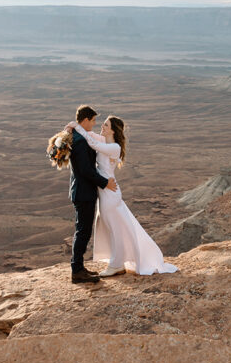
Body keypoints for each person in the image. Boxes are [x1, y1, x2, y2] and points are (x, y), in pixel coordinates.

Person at [70, 115, 177, 277]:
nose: (102, 127)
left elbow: (92, 142)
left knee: (115, 229)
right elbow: (90, 136)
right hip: (105, 192)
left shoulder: (114, 147)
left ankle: (116, 265)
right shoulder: (105, 140)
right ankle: (117, 263)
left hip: (110, 194)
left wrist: (76, 127)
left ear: (113, 130)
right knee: (113, 228)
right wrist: (71, 127)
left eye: (106, 125)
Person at [67, 105, 117, 284]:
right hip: (83, 192)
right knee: (82, 231)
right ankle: (77, 271)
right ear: (86, 119)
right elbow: (86, 170)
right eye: (94, 120)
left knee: (83, 230)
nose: (95, 124)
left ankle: (79, 267)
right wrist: (105, 183)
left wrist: (73, 125)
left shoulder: (80, 136)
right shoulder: (80, 141)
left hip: (83, 191)